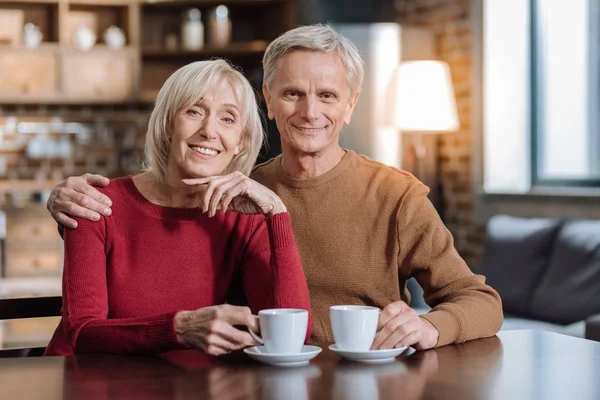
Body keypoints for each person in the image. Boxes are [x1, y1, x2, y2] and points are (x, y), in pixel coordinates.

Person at [47, 24, 502, 351]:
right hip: (255, 382)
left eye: (327, 96)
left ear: (349, 106)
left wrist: (433, 327)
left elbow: (479, 300)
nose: (309, 112)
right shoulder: (231, 193)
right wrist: (62, 198)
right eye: (291, 94)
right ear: (267, 100)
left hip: (363, 381)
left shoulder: (396, 196)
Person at [44, 59, 312, 357]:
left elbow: (293, 334)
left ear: (241, 142)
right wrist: (179, 328)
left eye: (228, 119)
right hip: (91, 385)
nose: (209, 131)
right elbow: (82, 334)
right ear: (167, 126)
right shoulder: (96, 204)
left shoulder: (246, 218)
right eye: (194, 111)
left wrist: (277, 213)